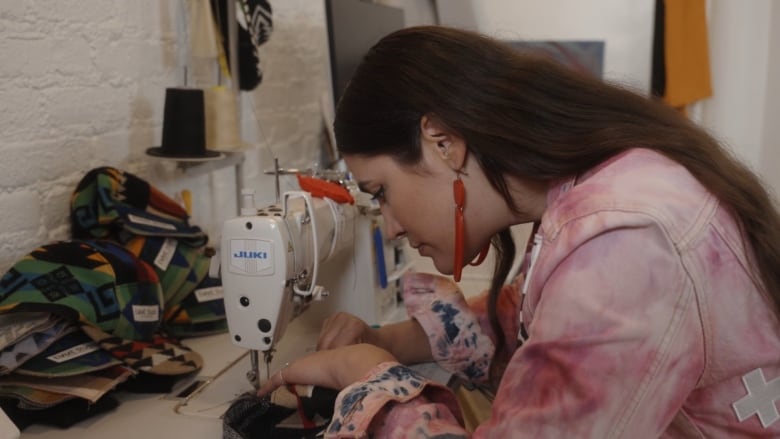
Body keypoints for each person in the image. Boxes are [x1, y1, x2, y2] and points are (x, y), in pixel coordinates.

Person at [257, 25, 780, 437]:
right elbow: (528, 317)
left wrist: (374, 382)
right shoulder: (590, 191)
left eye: (382, 192)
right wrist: (384, 340)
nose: (390, 226)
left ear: (442, 141)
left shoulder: (624, 239)